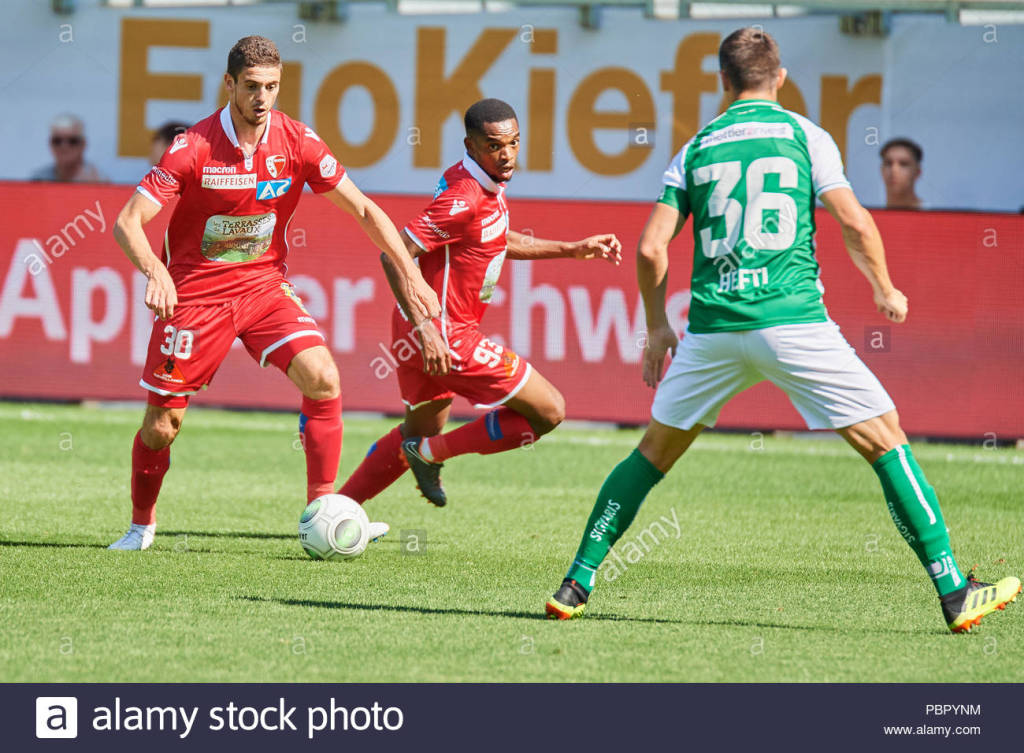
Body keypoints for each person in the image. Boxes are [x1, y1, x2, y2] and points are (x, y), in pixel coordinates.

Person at [545, 28, 1020, 633]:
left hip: (713, 329)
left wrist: (658, 326)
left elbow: (650, 248)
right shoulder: (805, 135)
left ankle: (575, 582)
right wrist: (884, 288)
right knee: (885, 441)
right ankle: (954, 591)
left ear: (723, 82)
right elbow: (853, 219)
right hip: (792, 321)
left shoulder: (694, 148)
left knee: (651, 455)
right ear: (782, 77)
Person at [108, 36, 439, 551]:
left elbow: (366, 211)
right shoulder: (192, 147)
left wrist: (412, 275)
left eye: (273, 87)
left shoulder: (298, 142)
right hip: (195, 296)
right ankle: (141, 525)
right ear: (229, 85)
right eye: (252, 87)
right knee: (163, 425)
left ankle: (325, 510)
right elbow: (128, 223)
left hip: (264, 288)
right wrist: (155, 269)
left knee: (323, 377)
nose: (263, 98)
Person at [337, 98, 621, 509]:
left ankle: (333, 511)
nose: (505, 155)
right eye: (493, 146)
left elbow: (497, 238)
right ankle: (431, 455)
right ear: (470, 146)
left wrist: (571, 248)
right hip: (444, 334)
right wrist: (428, 330)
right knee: (550, 411)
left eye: (513, 143)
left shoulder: (483, 184)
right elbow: (393, 253)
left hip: (420, 332)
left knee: (415, 431)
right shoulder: (464, 198)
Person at [30, 114, 106, 183]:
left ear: (83, 144)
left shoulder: (99, 182)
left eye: (72, 141)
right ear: (50, 143)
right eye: (57, 141)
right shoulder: (38, 180)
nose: (64, 147)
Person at [880, 138, 924, 209]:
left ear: (917, 172)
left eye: (903, 164)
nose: (894, 170)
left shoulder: (935, 217)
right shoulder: (869, 217)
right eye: (888, 163)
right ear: (881, 170)